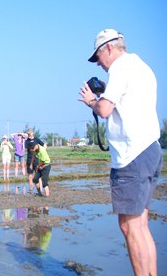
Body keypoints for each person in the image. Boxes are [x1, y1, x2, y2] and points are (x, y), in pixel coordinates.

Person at [79, 29, 162, 276]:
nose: (99, 64)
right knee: (141, 225)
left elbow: (104, 109)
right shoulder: (142, 67)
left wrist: (91, 100)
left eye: (98, 58)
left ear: (109, 48)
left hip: (131, 155)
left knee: (129, 227)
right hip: (150, 149)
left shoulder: (120, 68)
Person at [25, 129, 45, 195]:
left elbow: (44, 145)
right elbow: (25, 147)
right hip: (29, 159)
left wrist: (42, 152)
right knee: (30, 176)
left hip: (36, 159)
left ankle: (40, 190)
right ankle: (31, 190)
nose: (29, 135)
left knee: (38, 175)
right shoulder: (26, 141)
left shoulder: (36, 139)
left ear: (32, 134)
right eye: (28, 134)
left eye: (30, 134)